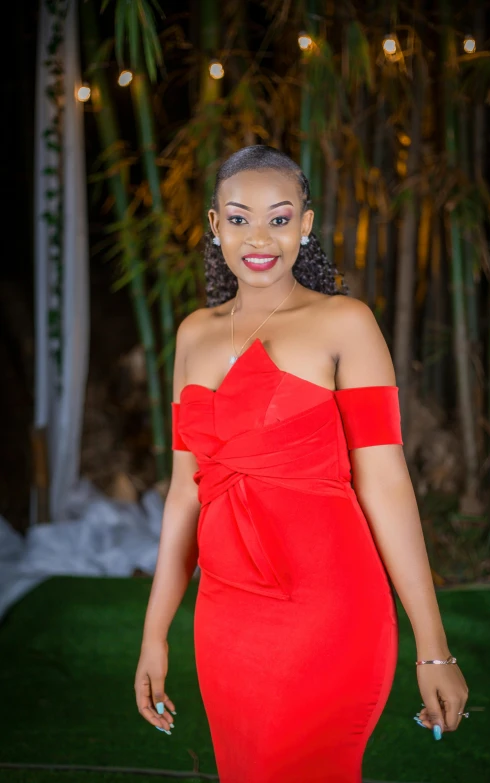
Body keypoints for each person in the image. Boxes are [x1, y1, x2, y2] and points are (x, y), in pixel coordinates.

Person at [134, 145, 469, 782]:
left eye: (279, 219)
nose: (259, 237)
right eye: (239, 219)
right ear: (213, 226)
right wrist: (155, 634)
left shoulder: (346, 322)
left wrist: (433, 649)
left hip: (330, 608)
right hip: (226, 618)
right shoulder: (192, 334)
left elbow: (387, 483)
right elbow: (185, 493)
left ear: (307, 225)